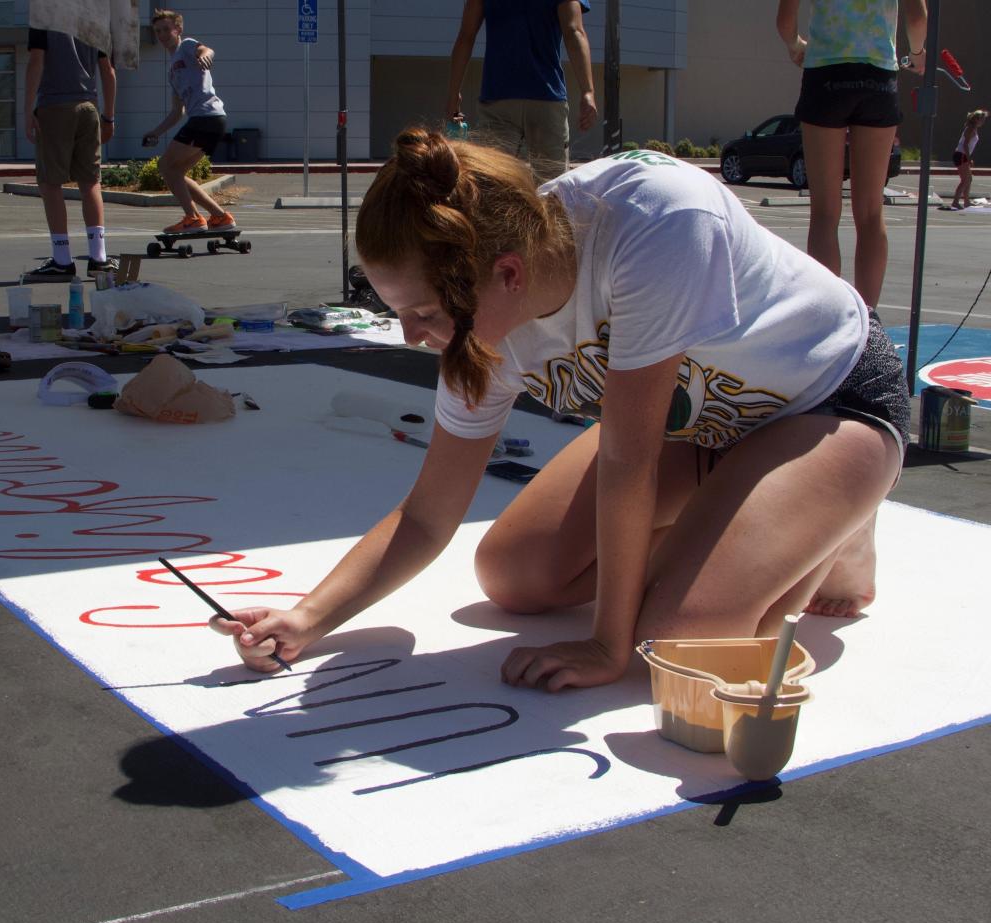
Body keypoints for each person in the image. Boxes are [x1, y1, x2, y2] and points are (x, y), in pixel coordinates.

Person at [211, 129, 909, 692]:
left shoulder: (652, 219)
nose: (410, 335)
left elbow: (628, 460)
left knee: (678, 643)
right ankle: (752, 510)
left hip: (827, 400)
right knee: (514, 576)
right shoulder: (480, 328)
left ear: (508, 273)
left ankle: (838, 522)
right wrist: (306, 618)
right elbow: (427, 514)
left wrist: (609, 646)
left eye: (423, 312)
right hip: (703, 426)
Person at [776, 0, 927, 310]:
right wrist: (917, 54)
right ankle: (868, 324)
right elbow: (917, 16)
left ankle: (828, 321)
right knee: (871, 213)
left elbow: (785, 19)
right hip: (878, 76)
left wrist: (795, 44)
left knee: (825, 213)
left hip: (825, 74)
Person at [445, 0, 598, 182]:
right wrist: (587, 92)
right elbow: (574, 32)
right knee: (552, 190)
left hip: (498, 98)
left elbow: (466, 37)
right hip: (546, 98)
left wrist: (454, 93)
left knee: (494, 187)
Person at [24, 27, 117, 281]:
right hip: (88, 106)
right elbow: (107, 70)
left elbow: (36, 62)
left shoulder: (44, 17)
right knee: (90, 182)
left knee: (50, 183)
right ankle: (99, 258)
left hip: (54, 105)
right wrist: (108, 116)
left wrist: (27, 110)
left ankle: (62, 258)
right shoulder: (92, 18)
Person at [142, 9, 235, 234]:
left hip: (207, 118)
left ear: (178, 30)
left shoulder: (185, 47)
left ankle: (193, 218)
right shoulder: (171, 70)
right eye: (158, 31)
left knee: (165, 166)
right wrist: (156, 131)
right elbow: (177, 111)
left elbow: (206, 49)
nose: (162, 35)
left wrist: (205, 55)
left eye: (167, 29)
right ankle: (220, 217)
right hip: (207, 121)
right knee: (176, 172)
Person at [950, 108, 988, 209]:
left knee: (969, 179)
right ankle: (955, 202)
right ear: (977, 119)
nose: (983, 122)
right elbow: (966, 144)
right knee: (965, 180)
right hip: (961, 155)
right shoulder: (970, 128)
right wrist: (969, 157)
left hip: (962, 155)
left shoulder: (973, 128)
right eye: (982, 119)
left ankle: (966, 202)